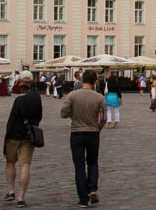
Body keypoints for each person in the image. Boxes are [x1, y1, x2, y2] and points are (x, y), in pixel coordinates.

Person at [60, 70, 105, 208]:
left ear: (82, 80)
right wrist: (97, 128)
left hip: (77, 133)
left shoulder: (72, 95)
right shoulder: (99, 97)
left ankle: (83, 199)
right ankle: (92, 188)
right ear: (95, 82)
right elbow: (103, 118)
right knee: (92, 162)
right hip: (93, 133)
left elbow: (63, 113)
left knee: (79, 167)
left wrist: (72, 115)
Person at [4, 71, 41, 206]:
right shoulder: (37, 98)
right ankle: (20, 198)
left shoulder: (18, 99)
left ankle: (11, 190)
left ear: (20, 83)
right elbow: (39, 117)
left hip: (14, 135)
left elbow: (12, 119)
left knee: (10, 162)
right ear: (31, 82)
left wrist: (6, 137)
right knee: (25, 165)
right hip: (29, 135)